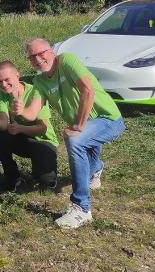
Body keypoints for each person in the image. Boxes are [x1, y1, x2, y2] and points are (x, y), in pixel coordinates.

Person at [20, 38, 125, 228]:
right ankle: (97, 168)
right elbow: (33, 112)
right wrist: (19, 110)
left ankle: (81, 208)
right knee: (85, 154)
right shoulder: (39, 81)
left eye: (41, 53)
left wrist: (78, 126)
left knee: (76, 141)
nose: (38, 59)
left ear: (51, 51)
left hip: (108, 119)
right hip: (88, 124)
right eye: (32, 56)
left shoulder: (67, 61)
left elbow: (88, 90)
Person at [0, 60, 58, 191]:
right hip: (22, 138)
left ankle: (44, 170)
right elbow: (4, 121)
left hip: (43, 141)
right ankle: (13, 178)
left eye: (6, 79)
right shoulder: (2, 93)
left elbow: (42, 129)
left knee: (46, 180)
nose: (3, 84)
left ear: (17, 75)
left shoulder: (35, 92)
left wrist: (20, 128)